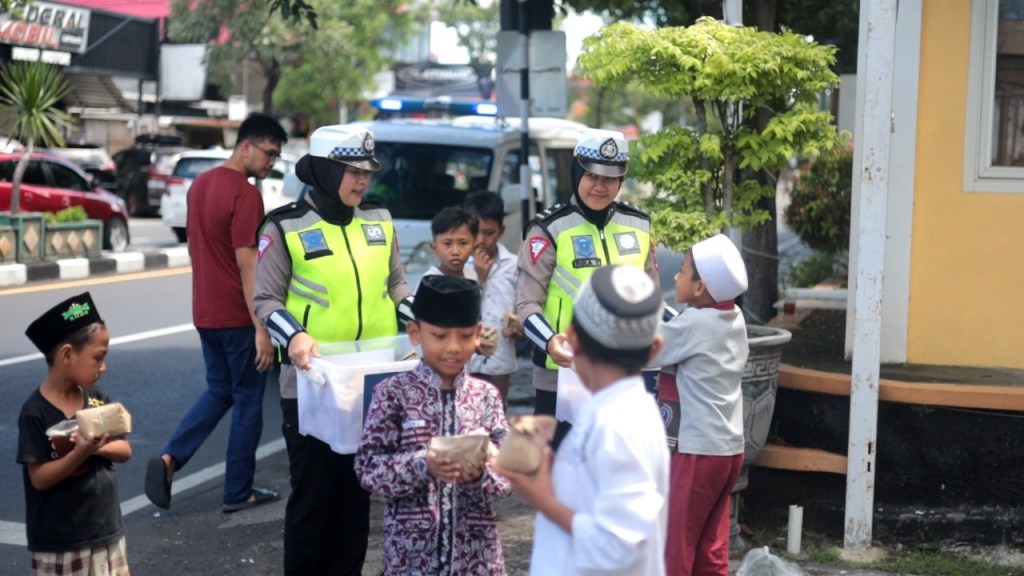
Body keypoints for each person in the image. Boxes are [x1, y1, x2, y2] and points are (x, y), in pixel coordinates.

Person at [254, 123, 414, 576]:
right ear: (324, 170)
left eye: (366, 171)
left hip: (371, 381)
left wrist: (421, 319)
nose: (362, 180)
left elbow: (397, 284)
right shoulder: (284, 225)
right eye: (350, 171)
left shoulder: (379, 218)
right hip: (312, 384)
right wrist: (296, 335)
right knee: (313, 500)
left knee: (356, 498)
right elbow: (265, 299)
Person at [145, 113, 287, 513]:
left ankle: (171, 456)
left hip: (204, 311)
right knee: (248, 403)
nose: (271, 163)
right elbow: (248, 265)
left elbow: (198, 248)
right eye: (269, 154)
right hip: (238, 317)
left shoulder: (200, 184)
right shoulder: (245, 194)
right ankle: (238, 490)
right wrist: (262, 327)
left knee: (220, 390)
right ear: (246, 146)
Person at [496, 265, 670, 576]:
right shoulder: (612, 409)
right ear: (655, 348)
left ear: (571, 338)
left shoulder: (619, 424)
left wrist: (541, 496)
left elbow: (620, 547)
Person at [355, 274, 512, 576]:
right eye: (440, 336)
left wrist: (481, 474)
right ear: (415, 333)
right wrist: (422, 464)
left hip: (478, 558)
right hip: (410, 560)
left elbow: (508, 476)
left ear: (478, 333)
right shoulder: (393, 394)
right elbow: (368, 469)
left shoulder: (486, 397)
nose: (453, 347)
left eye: (465, 336)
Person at [515, 128, 659, 441]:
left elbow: (653, 298)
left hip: (623, 373)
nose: (600, 186)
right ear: (577, 171)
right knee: (560, 476)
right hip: (561, 375)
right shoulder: (548, 229)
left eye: (609, 178)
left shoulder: (639, 225)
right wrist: (550, 340)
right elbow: (526, 305)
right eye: (591, 176)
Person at [650, 234, 750, 576]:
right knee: (712, 545)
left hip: (697, 450)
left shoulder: (694, 324)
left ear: (699, 287)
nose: (675, 278)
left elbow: (648, 349)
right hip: (728, 451)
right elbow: (676, 326)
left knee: (676, 544)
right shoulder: (732, 318)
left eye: (681, 271)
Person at [18, 292, 133, 575]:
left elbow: (124, 451)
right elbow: (40, 479)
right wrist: (79, 452)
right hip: (61, 544)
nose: (103, 367)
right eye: (98, 358)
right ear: (67, 355)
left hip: (106, 533)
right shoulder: (35, 412)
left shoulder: (97, 399)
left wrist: (95, 447)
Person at [463, 190, 521, 405]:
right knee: (466, 415)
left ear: (501, 231)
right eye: (476, 232)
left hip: (500, 360)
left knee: (496, 413)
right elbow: (456, 306)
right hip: (464, 358)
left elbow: (522, 306)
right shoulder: (458, 264)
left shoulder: (513, 265)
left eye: (489, 233)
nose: (481, 240)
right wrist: (479, 278)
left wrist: (517, 326)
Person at [419, 206, 479, 283]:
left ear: (474, 247)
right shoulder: (429, 282)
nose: (455, 252)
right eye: (447, 244)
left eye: (463, 243)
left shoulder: (472, 277)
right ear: (434, 248)